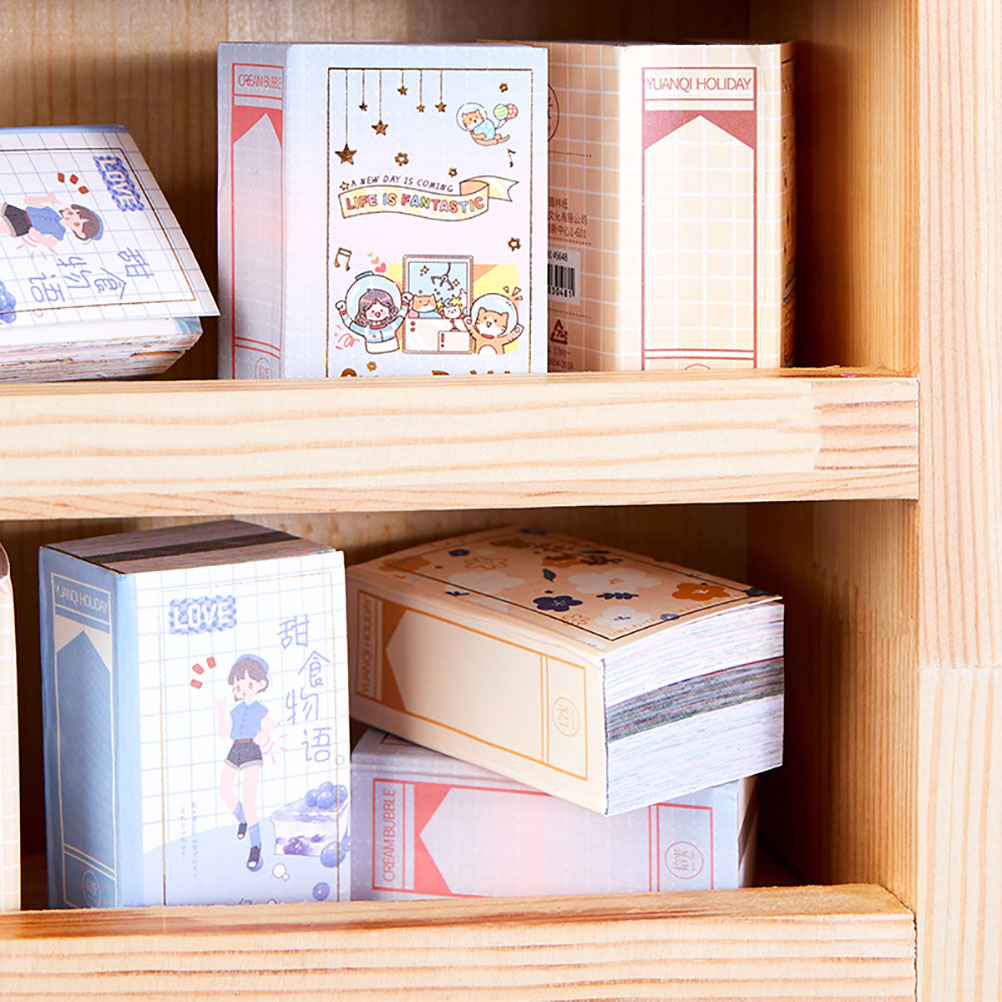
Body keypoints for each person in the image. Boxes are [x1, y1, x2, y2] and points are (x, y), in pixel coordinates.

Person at [216, 654, 277, 871]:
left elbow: (271, 725)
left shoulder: (260, 710)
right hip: (235, 748)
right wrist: (220, 710)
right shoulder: (235, 710)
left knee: (248, 799)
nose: (243, 689)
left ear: (261, 684)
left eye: (249, 684)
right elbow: (223, 733)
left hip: (251, 749)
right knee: (224, 789)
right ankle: (242, 819)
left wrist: (262, 735)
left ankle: (255, 845)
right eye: (239, 686)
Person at [0, 193, 103, 249]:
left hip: (23, 224)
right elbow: (28, 201)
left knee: (3, 226)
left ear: (80, 234)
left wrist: (38, 236)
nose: (71, 218)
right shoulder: (51, 212)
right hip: (20, 213)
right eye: (71, 213)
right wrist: (47, 199)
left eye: (77, 224)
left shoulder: (59, 231)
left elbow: (49, 243)